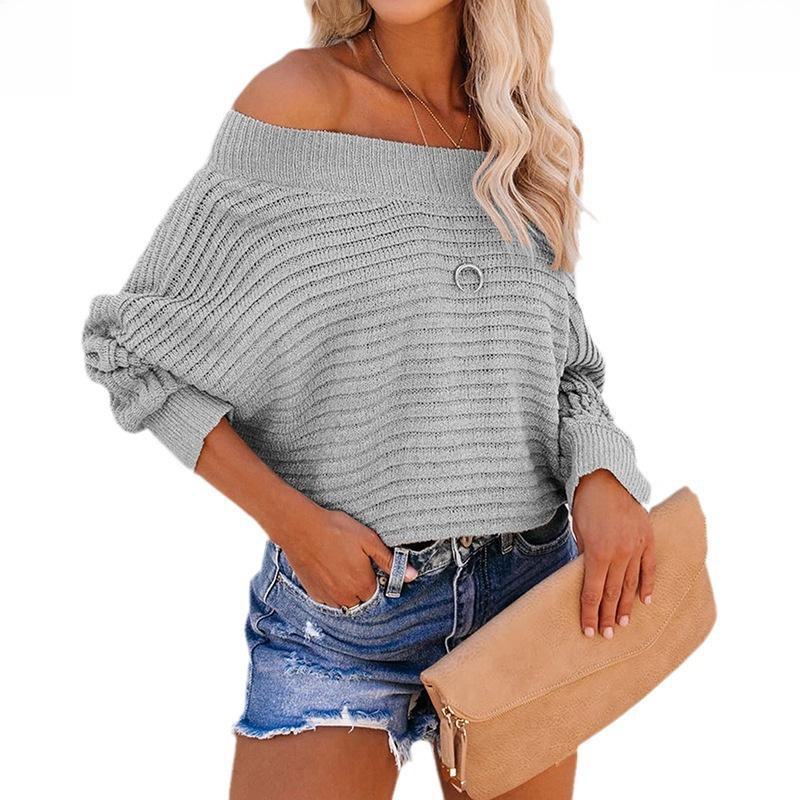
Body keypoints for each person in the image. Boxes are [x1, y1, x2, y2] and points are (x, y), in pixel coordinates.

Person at [81, 2, 655, 798]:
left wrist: (601, 473)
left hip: (526, 600)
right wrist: (293, 524)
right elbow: (130, 349)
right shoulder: (299, 103)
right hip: (344, 615)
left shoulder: (517, 129)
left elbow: (562, 372)